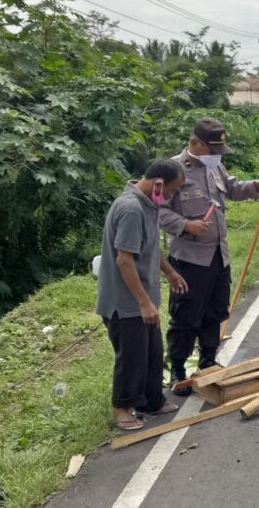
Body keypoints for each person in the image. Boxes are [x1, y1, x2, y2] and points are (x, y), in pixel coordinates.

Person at [159, 118, 259, 395]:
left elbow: (233, 188)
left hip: (218, 255)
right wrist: (185, 225)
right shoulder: (171, 170)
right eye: (213, 150)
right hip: (189, 258)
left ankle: (209, 361)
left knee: (216, 311)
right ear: (194, 144)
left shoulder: (215, 166)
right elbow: (158, 211)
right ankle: (178, 371)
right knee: (186, 315)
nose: (217, 156)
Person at [96, 160, 189, 431]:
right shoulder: (131, 209)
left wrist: (170, 273)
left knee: (152, 352)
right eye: (172, 191)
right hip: (124, 303)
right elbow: (125, 260)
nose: (171, 197)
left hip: (142, 299)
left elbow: (148, 248)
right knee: (132, 356)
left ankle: (151, 401)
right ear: (158, 183)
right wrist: (144, 302)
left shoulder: (150, 205)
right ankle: (122, 408)